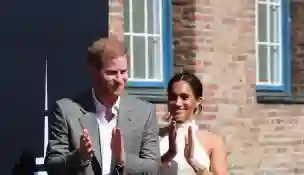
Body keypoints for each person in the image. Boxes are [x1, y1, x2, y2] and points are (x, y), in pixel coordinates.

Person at [44, 35, 160, 175]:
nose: (120, 80)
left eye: (123, 72)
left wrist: (123, 161)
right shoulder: (67, 111)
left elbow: (153, 168)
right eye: (111, 73)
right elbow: (53, 166)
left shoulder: (144, 112)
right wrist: (80, 156)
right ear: (94, 72)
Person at [159, 72, 228, 175]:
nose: (178, 103)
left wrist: (193, 162)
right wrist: (168, 155)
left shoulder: (213, 141)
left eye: (184, 97)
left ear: (197, 101)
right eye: (173, 97)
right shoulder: (154, 137)